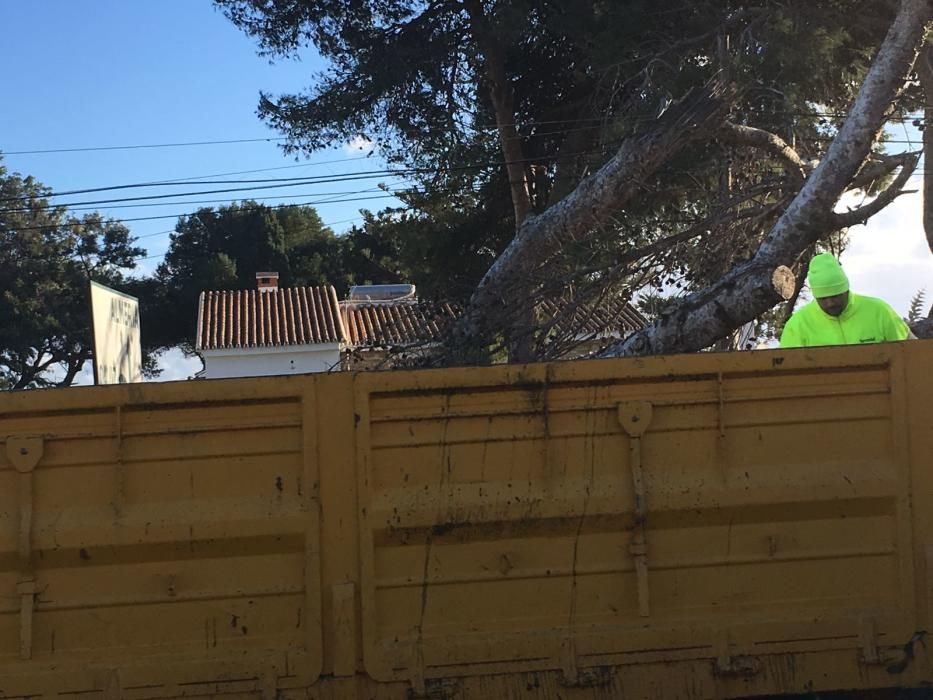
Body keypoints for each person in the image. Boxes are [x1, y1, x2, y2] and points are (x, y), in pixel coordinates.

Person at [779, 253, 911, 348]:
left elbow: (912, 352)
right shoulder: (797, 326)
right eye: (823, 299)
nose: (830, 303)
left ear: (846, 290)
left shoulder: (880, 311)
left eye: (835, 296)